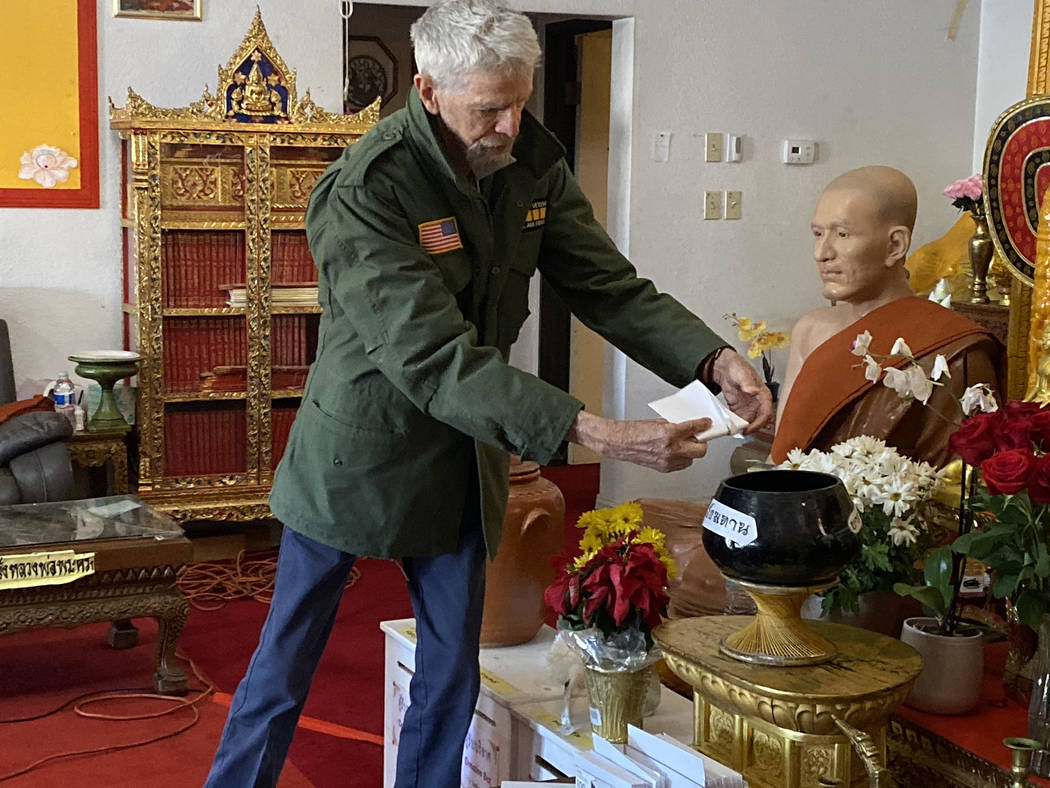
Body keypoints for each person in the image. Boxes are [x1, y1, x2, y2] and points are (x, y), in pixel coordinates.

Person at [203, 2, 772, 786]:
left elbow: (606, 286)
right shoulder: (367, 189)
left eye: (519, 100)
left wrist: (710, 358)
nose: (507, 124)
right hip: (356, 452)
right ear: (429, 90)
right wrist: (595, 433)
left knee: (451, 671)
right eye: (487, 108)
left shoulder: (529, 163)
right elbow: (433, 357)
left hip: (463, 453)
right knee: (283, 666)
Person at [771, 165, 1002, 467]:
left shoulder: (952, 349)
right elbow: (782, 459)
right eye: (817, 234)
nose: (822, 253)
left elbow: (956, 489)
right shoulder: (810, 331)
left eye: (842, 234)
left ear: (895, 245)